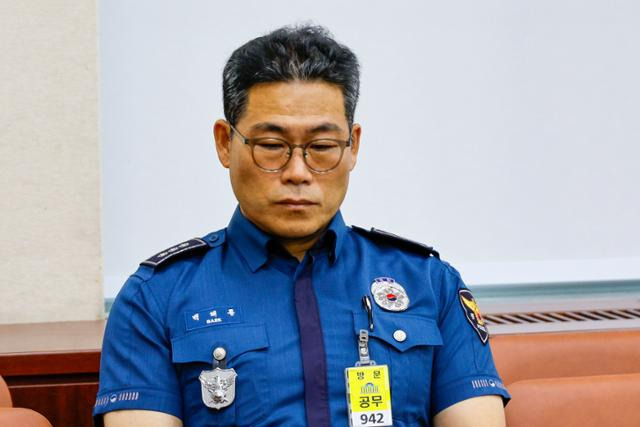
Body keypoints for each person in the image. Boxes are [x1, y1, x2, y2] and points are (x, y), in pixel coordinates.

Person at [94, 24, 510, 427]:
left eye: (322, 146)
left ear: (353, 146)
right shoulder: (156, 298)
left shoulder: (428, 283)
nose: (297, 172)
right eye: (271, 146)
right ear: (224, 142)